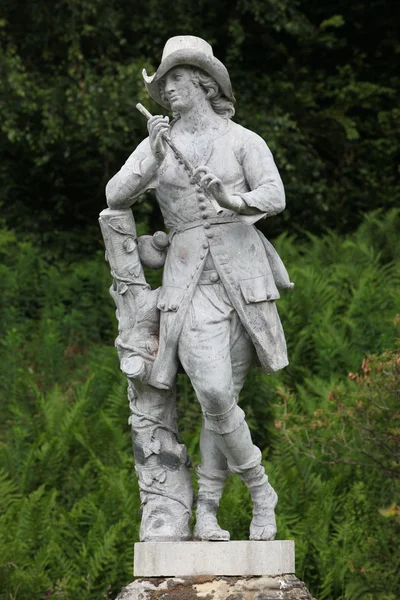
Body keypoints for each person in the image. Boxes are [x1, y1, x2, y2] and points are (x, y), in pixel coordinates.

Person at [106, 35, 290, 542]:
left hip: (244, 280)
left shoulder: (243, 140)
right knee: (210, 388)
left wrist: (229, 196)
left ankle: (207, 508)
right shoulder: (158, 143)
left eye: (175, 81)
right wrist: (152, 152)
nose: (168, 91)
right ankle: (260, 488)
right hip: (187, 283)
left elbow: (274, 195)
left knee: (221, 401)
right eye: (163, 84)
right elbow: (114, 195)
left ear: (203, 83)